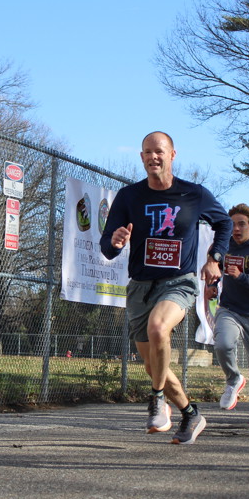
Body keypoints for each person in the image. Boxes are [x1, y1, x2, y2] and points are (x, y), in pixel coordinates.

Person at [100, 131, 233, 444]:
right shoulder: (129, 197)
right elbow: (107, 246)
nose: (153, 157)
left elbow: (224, 223)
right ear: (141, 157)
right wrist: (115, 242)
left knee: (159, 328)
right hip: (140, 286)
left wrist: (215, 258)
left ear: (173, 155)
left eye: (159, 151)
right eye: (147, 152)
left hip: (179, 282)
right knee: (152, 364)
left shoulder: (194, 194)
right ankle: (190, 413)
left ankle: (157, 400)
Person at [211, 204, 249, 424]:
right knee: (222, 344)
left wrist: (241, 277)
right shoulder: (225, 247)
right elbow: (216, 268)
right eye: (232, 225)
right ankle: (234, 379)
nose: (236, 229)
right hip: (229, 308)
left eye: (242, 224)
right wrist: (212, 284)